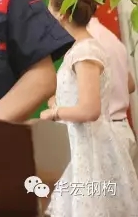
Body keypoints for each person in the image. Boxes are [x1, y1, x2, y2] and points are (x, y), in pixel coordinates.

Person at [41, 0, 138, 216]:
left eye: (50, 10)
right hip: (80, 144)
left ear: (62, 14)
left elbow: (90, 109)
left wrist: (54, 112)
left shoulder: (85, 51)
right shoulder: (83, 48)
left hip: (88, 146)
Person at [48, 14, 137, 163]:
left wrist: (57, 107)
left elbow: (89, 108)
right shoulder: (109, 37)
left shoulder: (86, 46)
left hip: (101, 136)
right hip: (121, 129)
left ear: (62, 14)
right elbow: (130, 84)